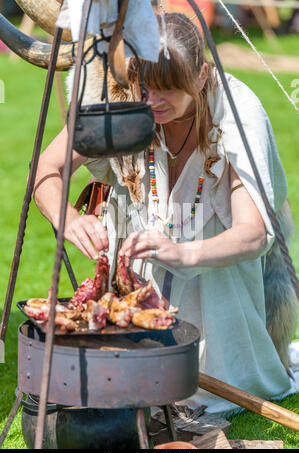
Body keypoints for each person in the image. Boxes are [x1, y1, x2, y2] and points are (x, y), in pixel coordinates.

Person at [34, 13, 298, 415]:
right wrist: (69, 220)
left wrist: (184, 253)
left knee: (216, 389)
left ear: (202, 75)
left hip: (221, 277)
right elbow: (45, 170)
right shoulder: (122, 98)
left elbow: (253, 233)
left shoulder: (238, 112)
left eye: (168, 91)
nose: (153, 101)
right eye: (146, 86)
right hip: (139, 285)